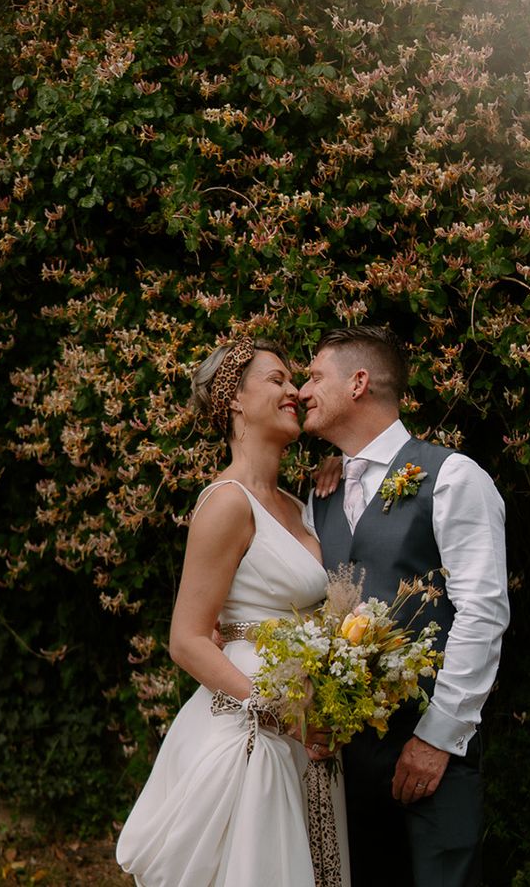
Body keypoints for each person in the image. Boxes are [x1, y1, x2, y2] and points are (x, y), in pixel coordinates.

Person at [116, 338, 350, 887]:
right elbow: (188, 640)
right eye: (276, 380)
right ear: (235, 400)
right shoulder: (226, 502)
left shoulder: (300, 505)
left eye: (293, 380)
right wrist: (280, 711)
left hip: (308, 735)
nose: (294, 390)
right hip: (252, 735)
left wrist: (339, 479)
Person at [299, 326, 509, 887]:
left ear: (359, 383)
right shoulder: (317, 495)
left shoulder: (453, 478)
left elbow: (483, 614)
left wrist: (437, 738)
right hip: (345, 762)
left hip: (433, 753)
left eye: (316, 375)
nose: (302, 389)